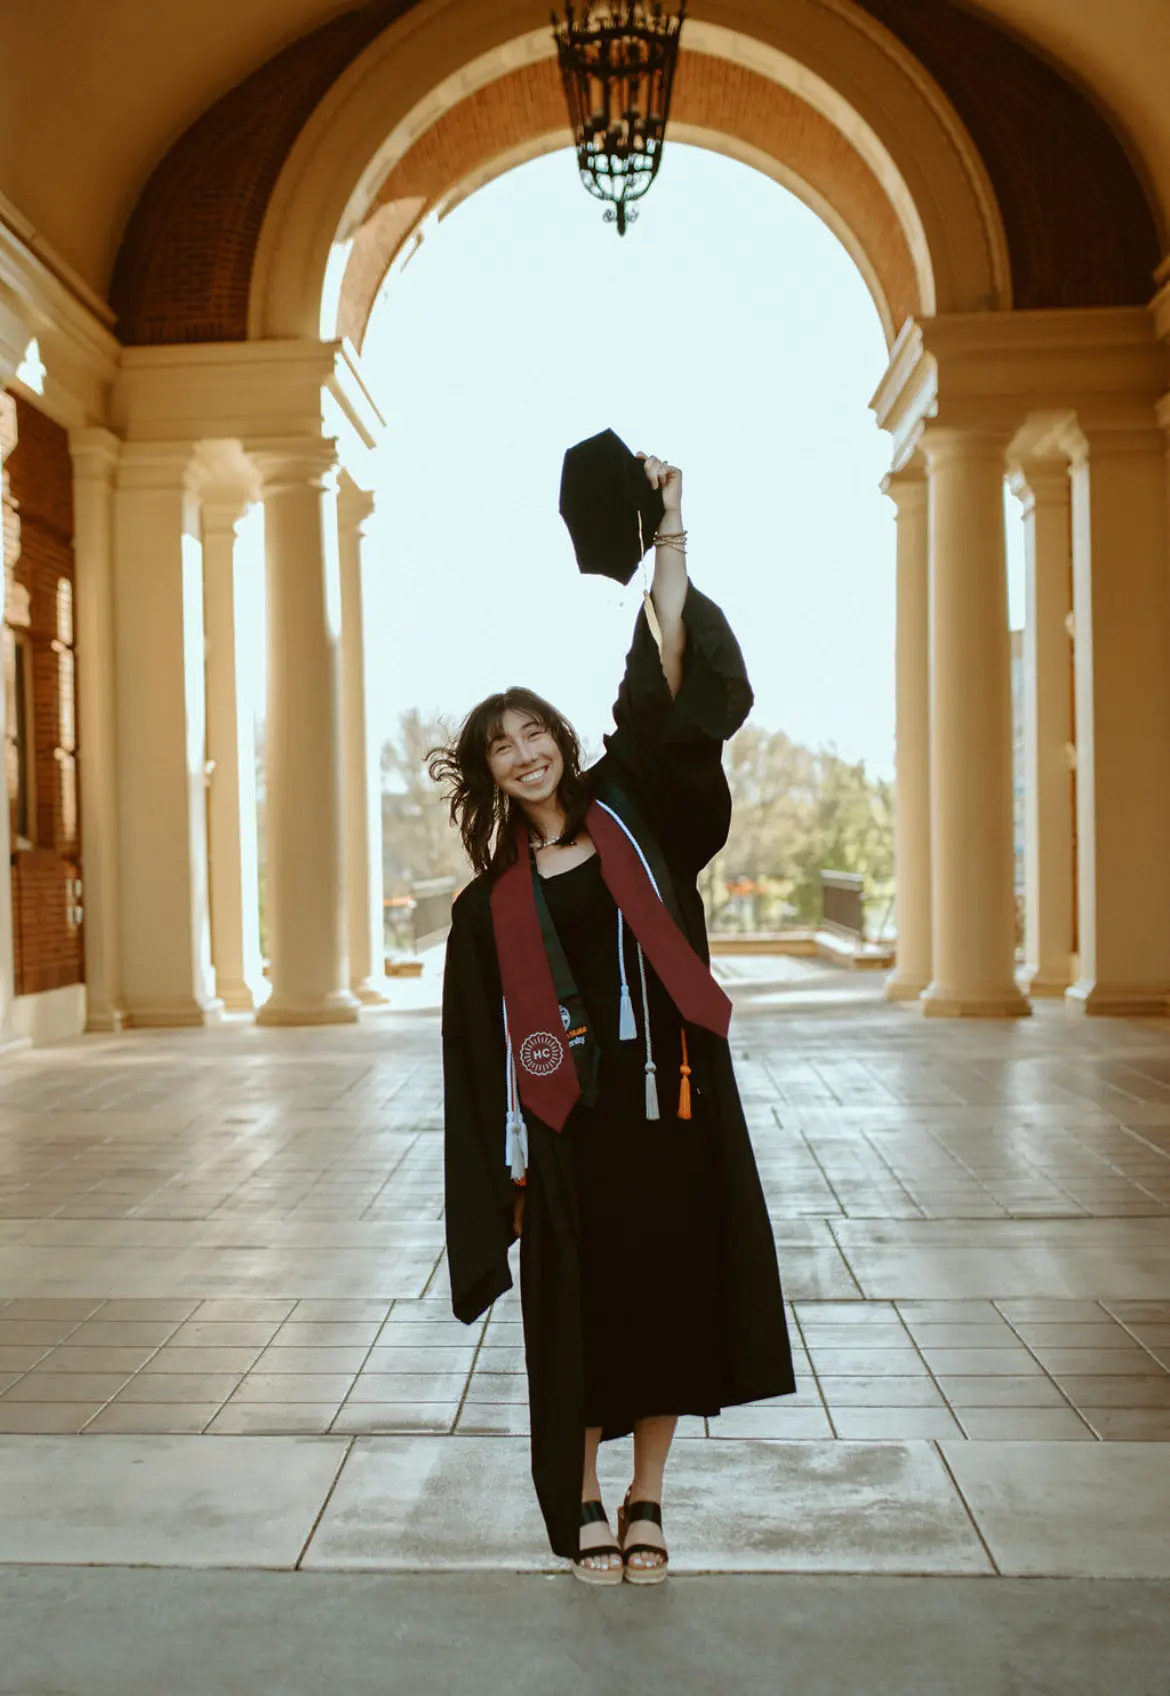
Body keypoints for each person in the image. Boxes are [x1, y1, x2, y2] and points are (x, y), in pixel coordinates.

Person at [432, 455, 795, 1586]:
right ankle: (582, 1495)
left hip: (670, 1099)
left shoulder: (633, 810)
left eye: (535, 730)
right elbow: (473, 1062)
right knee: (581, 1310)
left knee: (668, 1298)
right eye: (502, 744)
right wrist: (500, 1174)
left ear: (561, 737)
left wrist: (670, 534)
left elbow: (671, 683)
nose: (526, 751)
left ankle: (646, 1497)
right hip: (571, 1125)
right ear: (489, 772)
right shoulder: (487, 909)